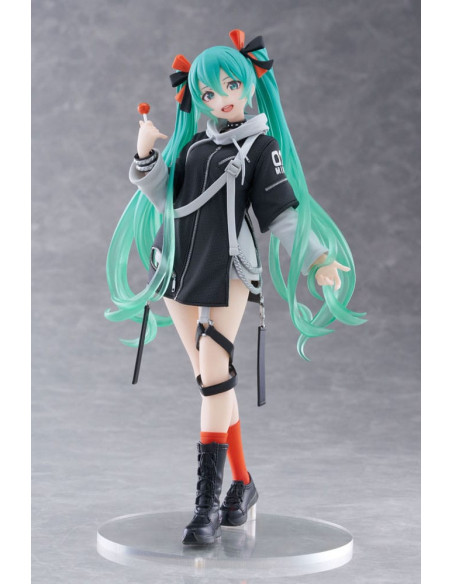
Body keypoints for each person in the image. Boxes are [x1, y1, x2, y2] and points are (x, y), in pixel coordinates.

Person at [105, 29, 365, 546]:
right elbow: (164, 198)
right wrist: (144, 155)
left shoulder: (261, 147)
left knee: (214, 376)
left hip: (228, 268)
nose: (222, 98)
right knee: (212, 380)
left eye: (230, 86)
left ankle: (206, 504)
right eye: (208, 92)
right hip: (176, 266)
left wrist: (317, 260)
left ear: (248, 83)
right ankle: (243, 483)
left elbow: (282, 214)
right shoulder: (195, 144)